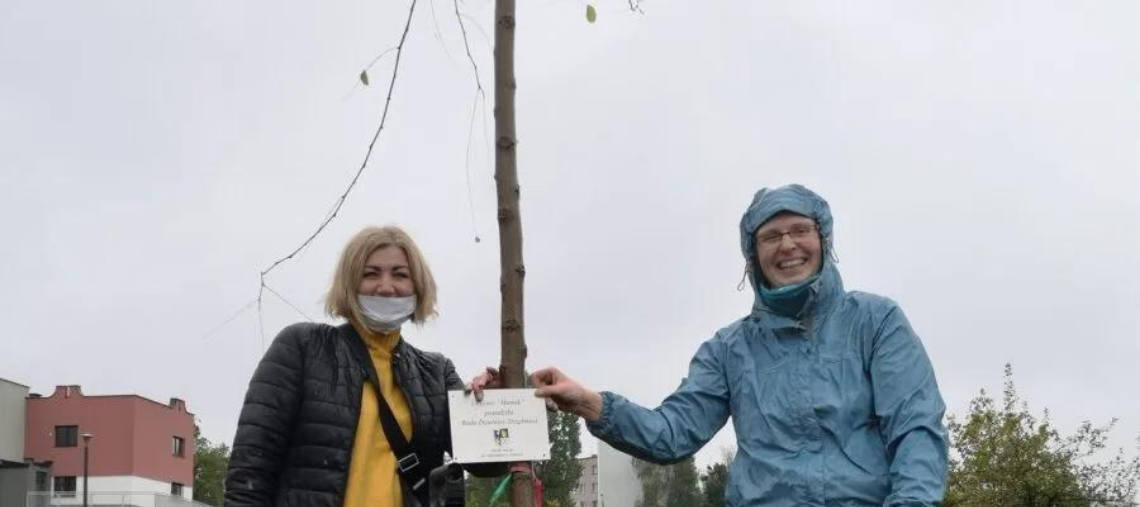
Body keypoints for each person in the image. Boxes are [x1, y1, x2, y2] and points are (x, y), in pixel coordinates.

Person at [472, 184, 948, 506]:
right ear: (752, 256)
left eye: (800, 230)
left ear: (823, 239)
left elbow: (915, 430)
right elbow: (672, 432)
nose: (787, 246)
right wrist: (590, 404)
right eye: (770, 236)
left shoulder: (876, 322)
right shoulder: (730, 350)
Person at [225, 226, 499, 507]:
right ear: (349, 282)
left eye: (400, 274)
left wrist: (499, 402)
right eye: (370, 274)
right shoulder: (302, 347)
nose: (385, 286)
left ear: (418, 285)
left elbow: (487, 461)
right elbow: (250, 472)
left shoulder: (437, 372)